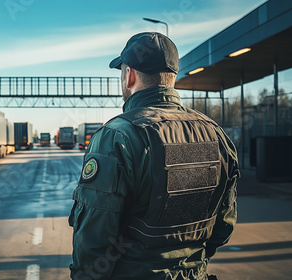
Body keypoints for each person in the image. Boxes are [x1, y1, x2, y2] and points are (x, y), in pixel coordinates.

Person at [69, 32, 239, 280]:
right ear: (172, 77)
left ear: (129, 75)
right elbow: (224, 227)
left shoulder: (117, 136)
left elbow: (94, 240)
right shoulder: (216, 134)